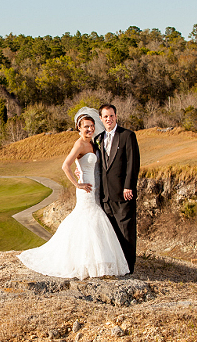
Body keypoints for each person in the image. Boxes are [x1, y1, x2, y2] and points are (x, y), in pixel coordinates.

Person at [17, 107, 129, 279]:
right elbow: (65, 165)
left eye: (92, 126)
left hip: (94, 187)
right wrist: (77, 183)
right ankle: (81, 261)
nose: (90, 129)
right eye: (86, 126)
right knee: (86, 219)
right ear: (79, 128)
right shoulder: (79, 144)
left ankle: (95, 260)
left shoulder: (93, 143)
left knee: (94, 219)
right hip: (85, 189)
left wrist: (81, 171)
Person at [97, 104, 140, 273]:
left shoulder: (127, 135)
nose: (109, 119)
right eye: (105, 116)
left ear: (116, 116)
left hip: (123, 193)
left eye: (111, 116)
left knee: (126, 231)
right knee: (111, 232)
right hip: (105, 195)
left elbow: (133, 163)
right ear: (101, 119)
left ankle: (129, 267)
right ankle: (116, 264)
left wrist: (129, 186)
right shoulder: (98, 138)